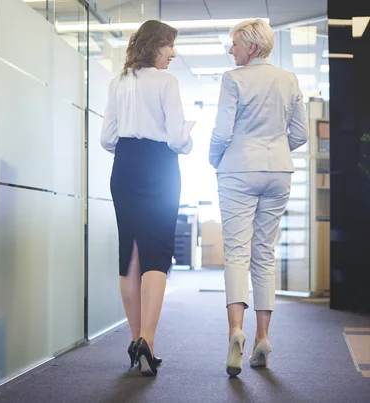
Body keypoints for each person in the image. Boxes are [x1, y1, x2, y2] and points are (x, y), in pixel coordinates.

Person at [209, 19, 309, 377]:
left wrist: (215, 159)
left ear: (251, 47)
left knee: (237, 251)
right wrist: (277, 149)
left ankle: (236, 331)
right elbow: (299, 133)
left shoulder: (233, 79)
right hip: (279, 172)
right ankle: (262, 339)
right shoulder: (289, 80)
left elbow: (222, 131)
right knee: (264, 253)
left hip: (238, 169)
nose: (230, 50)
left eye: (234, 44)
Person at [100, 20, 193, 377]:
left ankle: (134, 337)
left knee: (131, 252)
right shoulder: (167, 82)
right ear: (155, 45)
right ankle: (148, 343)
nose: (173, 52)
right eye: (170, 45)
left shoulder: (119, 82)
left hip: (124, 166)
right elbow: (175, 138)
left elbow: (108, 138)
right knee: (157, 252)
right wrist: (188, 138)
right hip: (159, 166)